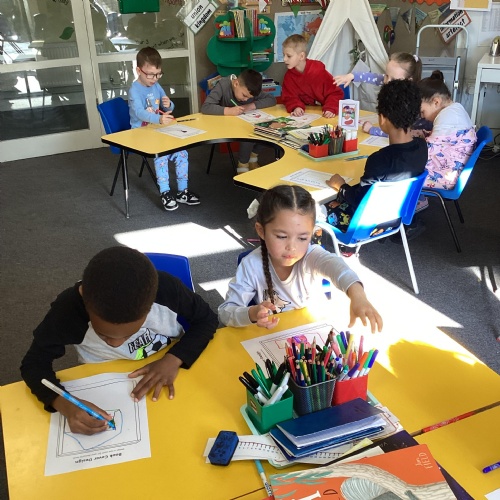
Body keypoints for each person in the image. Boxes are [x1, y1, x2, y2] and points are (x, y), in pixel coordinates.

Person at [20, 246, 218, 435]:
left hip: (170, 370)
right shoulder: (67, 311)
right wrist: (63, 403)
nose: (116, 344)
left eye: (129, 334)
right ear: (85, 302)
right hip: (104, 381)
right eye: (103, 335)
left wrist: (174, 359)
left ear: (150, 307)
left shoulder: (167, 290)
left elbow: (207, 319)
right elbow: (34, 364)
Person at [218, 185, 383, 332]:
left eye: (303, 238)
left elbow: (338, 268)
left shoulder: (311, 257)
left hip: (310, 334)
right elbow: (225, 313)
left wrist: (358, 296)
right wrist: (252, 313)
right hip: (271, 338)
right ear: (261, 231)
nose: (292, 247)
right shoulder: (251, 265)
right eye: (282, 236)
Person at [321, 79, 427, 243]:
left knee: (313, 210)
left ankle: (338, 249)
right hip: (396, 218)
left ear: (382, 119)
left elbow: (359, 202)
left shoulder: (379, 160)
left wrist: (341, 186)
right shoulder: (422, 146)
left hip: (367, 225)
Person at [129, 47, 200, 211]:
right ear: (138, 71)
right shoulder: (134, 90)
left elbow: (166, 106)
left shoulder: (156, 86)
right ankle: (165, 192)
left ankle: (183, 191)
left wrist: (169, 104)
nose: (154, 79)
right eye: (150, 75)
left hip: (158, 130)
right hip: (140, 133)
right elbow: (139, 113)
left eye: (158, 74)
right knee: (161, 155)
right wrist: (159, 119)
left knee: (182, 152)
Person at [334, 52, 430, 138]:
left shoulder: (409, 102)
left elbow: (402, 133)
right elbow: (371, 77)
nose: (387, 81)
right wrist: (352, 76)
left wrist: (372, 130)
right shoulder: (392, 81)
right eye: (386, 75)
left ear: (409, 81)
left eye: (393, 79)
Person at [200, 69, 277, 173]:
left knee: (271, 128)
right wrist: (228, 111)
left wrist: (251, 105)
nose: (245, 99)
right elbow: (206, 107)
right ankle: (243, 166)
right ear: (236, 83)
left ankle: (253, 157)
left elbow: (271, 99)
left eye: (249, 98)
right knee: (248, 133)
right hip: (226, 125)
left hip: (245, 122)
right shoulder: (223, 85)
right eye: (244, 95)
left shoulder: (250, 88)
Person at [417, 70, 477, 191]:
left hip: (443, 177)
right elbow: (447, 141)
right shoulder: (456, 109)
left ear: (436, 102)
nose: (422, 117)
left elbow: (427, 152)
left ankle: (416, 199)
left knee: (399, 172)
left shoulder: (447, 117)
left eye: (422, 112)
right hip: (449, 169)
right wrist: (423, 134)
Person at [281, 34, 344, 119]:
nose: (284, 59)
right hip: (306, 116)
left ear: (301, 56)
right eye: (283, 55)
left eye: (289, 56)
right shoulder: (288, 76)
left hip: (325, 115)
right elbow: (289, 97)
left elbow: (335, 93)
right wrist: (296, 107)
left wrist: (331, 108)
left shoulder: (318, 71)